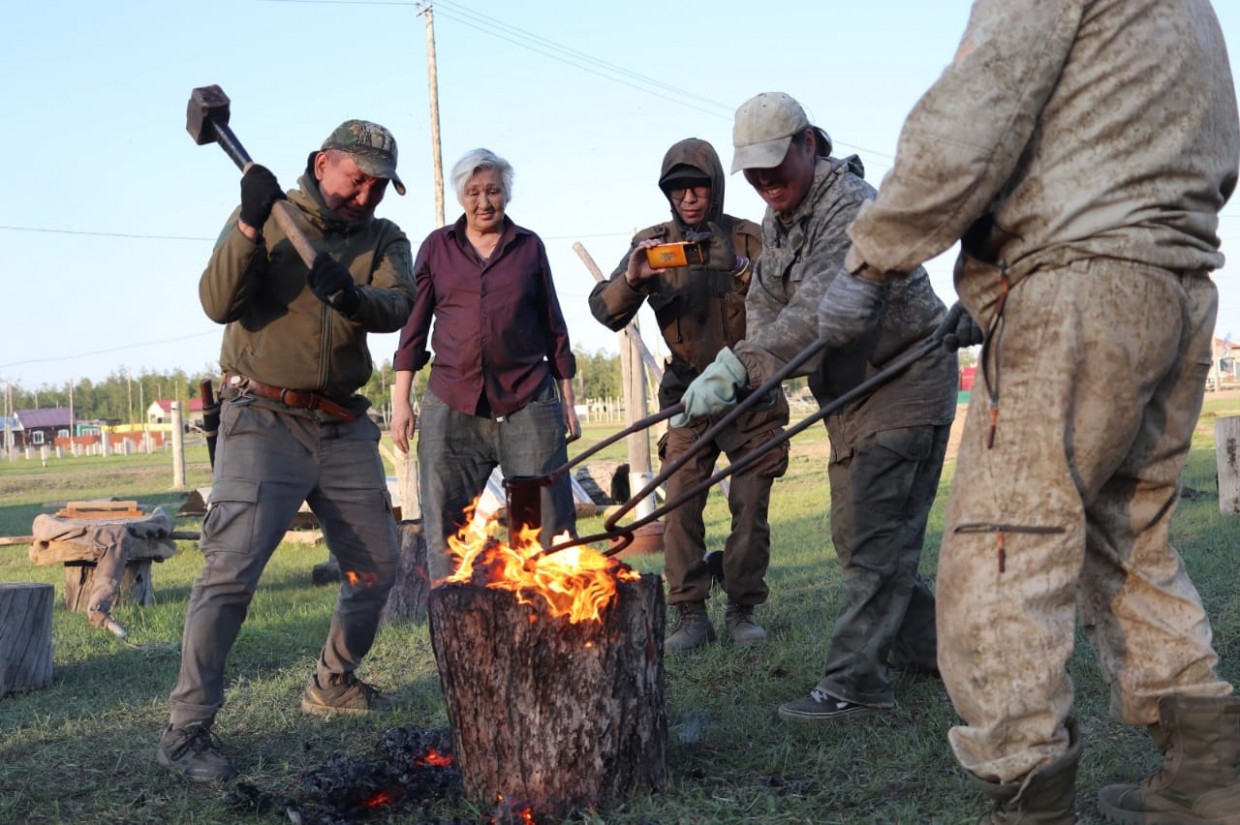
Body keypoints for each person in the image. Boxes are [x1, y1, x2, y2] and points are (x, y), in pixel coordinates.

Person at [814, 1, 1240, 821]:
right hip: (1175, 285)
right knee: (1130, 540)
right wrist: (1007, 264)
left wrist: (870, 258)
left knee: (1005, 541)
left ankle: (1028, 791)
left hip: (1082, 285)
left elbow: (975, 113)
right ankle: (1205, 774)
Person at [677, 92, 961, 719]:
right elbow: (767, 307)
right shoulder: (781, 222)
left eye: (775, 165)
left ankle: (854, 686)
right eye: (752, 172)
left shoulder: (851, 207)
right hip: (852, 397)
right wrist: (744, 368)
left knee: (873, 540)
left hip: (905, 380)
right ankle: (940, 654)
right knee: (857, 536)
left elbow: (818, 312)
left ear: (809, 143)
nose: (764, 182)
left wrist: (740, 364)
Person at [159, 120, 416, 782]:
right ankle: (186, 730)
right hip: (262, 417)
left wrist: (352, 295)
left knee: (377, 569)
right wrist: (248, 227)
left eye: (379, 187)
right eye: (356, 179)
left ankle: (332, 681)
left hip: (341, 423)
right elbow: (217, 301)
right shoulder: (268, 215)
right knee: (230, 573)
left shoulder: (384, 237)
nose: (365, 196)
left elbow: (400, 305)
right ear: (323, 162)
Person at [589, 138, 789, 650]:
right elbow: (605, 311)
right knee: (680, 504)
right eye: (678, 189)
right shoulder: (652, 243)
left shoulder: (750, 237)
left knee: (750, 504)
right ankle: (689, 614)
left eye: (698, 186)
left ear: (716, 186)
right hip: (687, 397)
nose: (690, 197)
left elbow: (789, 302)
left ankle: (742, 608)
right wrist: (633, 281)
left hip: (752, 392)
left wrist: (740, 270)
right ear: (668, 195)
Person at [392, 148, 579, 580]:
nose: (484, 202)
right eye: (474, 192)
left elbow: (555, 325)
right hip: (452, 402)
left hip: (527, 402)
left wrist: (566, 398)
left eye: (493, 191)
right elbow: (413, 328)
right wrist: (402, 400)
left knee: (540, 528)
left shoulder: (528, 247)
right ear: (461, 196)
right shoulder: (438, 247)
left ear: (507, 195)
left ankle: (544, 618)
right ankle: (451, 615)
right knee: (445, 525)